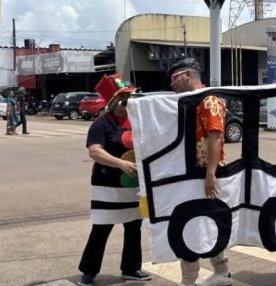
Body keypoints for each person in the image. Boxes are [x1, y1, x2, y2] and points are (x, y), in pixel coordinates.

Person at [76, 73, 152, 286]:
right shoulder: (102, 124)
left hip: (133, 184)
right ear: (116, 101)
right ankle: (89, 271)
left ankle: (131, 267)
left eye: (132, 97)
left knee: (133, 226)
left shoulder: (137, 122)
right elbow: (95, 151)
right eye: (126, 98)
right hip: (107, 184)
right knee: (102, 226)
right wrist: (121, 164)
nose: (130, 102)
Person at [169, 57, 234, 286]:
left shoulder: (208, 101)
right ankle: (219, 272)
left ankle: (194, 279)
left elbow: (216, 137)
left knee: (197, 223)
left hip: (205, 173)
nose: (172, 83)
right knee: (202, 223)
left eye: (175, 78)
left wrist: (210, 174)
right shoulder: (192, 101)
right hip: (194, 172)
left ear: (188, 75)